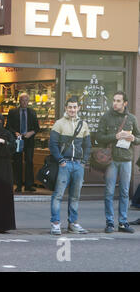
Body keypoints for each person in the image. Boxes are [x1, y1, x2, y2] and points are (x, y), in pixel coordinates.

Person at [97, 91, 140, 234]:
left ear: (125, 103)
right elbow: (99, 137)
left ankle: (123, 222)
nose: (115, 103)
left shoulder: (132, 118)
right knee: (109, 192)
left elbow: (139, 137)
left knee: (125, 192)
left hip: (126, 159)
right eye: (114, 100)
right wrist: (115, 136)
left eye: (118, 101)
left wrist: (133, 138)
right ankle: (109, 222)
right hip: (111, 160)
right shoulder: (106, 117)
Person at [49, 96, 91, 235]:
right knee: (58, 195)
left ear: (78, 108)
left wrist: (84, 161)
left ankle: (73, 223)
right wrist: (61, 160)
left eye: (75, 107)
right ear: (66, 108)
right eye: (70, 107)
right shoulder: (59, 123)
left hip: (78, 165)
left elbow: (87, 145)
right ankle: (55, 224)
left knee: (75, 196)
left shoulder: (83, 124)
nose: (72, 109)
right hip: (64, 164)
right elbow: (53, 144)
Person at [6, 93, 40, 192]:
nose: (24, 102)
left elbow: (37, 128)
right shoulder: (12, 112)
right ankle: (19, 185)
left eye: (26, 100)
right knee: (18, 162)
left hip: (29, 141)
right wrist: (15, 133)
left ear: (28, 101)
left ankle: (29, 185)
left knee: (29, 161)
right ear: (19, 101)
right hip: (18, 141)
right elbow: (7, 127)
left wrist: (31, 133)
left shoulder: (33, 112)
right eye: (22, 100)